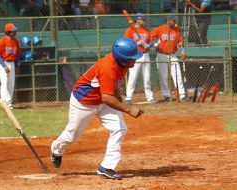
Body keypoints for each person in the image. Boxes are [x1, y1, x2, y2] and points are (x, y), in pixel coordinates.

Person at [51, 37, 144, 180]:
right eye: (133, 58)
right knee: (72, 135)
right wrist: (128, 109)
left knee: (119, 128)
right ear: (123, 58)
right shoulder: (108, 67)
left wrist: (120, 100)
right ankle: (56, 149)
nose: (135, 60)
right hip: (84, 102)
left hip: (104, 100)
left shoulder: (123, 66)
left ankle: (106, 167)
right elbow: (107, 97)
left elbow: (113, 86)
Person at [150, 16, 188, 102]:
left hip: (173, 55)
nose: (173, 22)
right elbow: (151, 35)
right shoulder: (160, 28)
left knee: (177, 74)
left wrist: (183, 50)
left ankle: (182, 95)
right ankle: (167, 95)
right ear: (167, 21)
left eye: (174, 20)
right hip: (161, 55)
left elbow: (180, 41)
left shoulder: (176, 30)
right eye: (172, 20)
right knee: (163, 76)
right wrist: (155, 44)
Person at [124, 12, 158, 104]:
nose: (144, 21)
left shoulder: (146, 30)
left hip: (146, 55)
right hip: (135, 55)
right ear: (137, 20)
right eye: (142, 19)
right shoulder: (130, 30)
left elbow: (151, 40)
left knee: (147, 77)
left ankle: (150, 97)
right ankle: (128, 97)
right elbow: (126, 43)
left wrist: (148, 45)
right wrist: (138, 43)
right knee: (133, 77)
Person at [0, 23, 21, 109]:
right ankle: (3, 102)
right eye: (13, 31)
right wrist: (4, 66)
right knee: (4, 82)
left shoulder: (16, 41)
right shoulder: (1, 41)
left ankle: (9, 103)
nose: (15, 32)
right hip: (2, 62)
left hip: (11, 63)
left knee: (11, 84)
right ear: (8, 32)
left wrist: (16, 67)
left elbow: (16, 55)